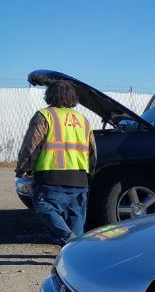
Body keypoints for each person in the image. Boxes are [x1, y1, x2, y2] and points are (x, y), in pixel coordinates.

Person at [15, 81, 96, 245]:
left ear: (49, 95)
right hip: (80, 181)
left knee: (42, 206)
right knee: (76, 222)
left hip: (51, 179)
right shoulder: (83, 120)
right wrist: (90, 174)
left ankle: (70, 241)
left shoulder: (44, 115)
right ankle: (76, 255)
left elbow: (31, 145)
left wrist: (23, 168)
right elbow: (93, 151)